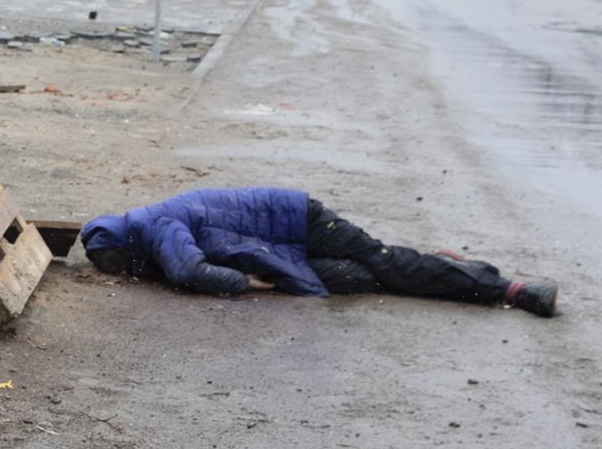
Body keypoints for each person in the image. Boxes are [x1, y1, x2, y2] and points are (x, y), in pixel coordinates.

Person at [79, 187, 557, 316]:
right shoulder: (145, 226)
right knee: (359, 277)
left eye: (114, 262)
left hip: (301, 222)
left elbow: (189, 271)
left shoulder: (155, 225)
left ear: (123, 242)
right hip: (281, 243)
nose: (117, 271)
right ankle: (451, 268)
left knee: (385, 265)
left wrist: (251, 284)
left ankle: (510, 290)